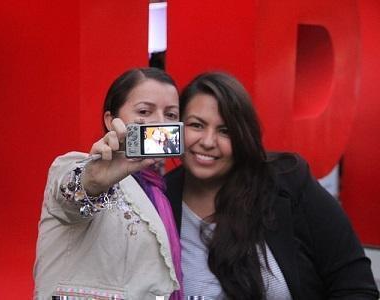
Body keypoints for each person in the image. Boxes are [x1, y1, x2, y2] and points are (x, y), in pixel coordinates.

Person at [165, 72, 379, 299]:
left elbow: (356, 286)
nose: (208, 142)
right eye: (196, 125)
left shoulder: (288, 183)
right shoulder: (159, 200)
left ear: (243, 137)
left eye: (225, 131)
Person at [34, 68, 183, 299]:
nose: (160, 122)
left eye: (171, 115)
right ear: (110, 120)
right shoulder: (78, 166)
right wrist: (95, 179)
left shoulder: (162, 190)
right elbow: (72, 195)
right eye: (144, 111)